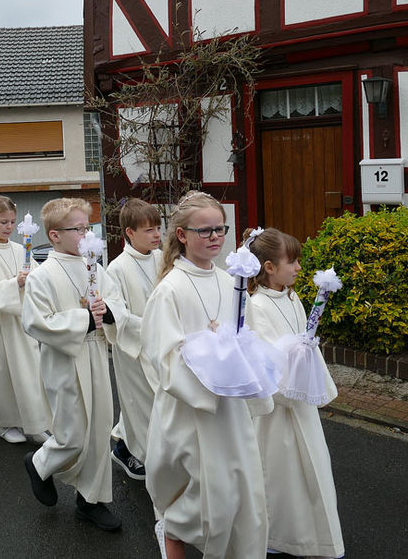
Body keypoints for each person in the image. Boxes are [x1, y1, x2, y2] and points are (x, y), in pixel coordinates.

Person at [142, 191, 269, 559]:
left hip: (229, 410)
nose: (215, 236)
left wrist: (247, 357)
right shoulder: (170, 290)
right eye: (205, 230)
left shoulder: (231, 280)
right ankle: (173, 533)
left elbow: (246, 332)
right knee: (209, 497)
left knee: (242, 492)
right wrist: (212, 363)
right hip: (192, 409)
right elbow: (163, 358)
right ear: (182, 235)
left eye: (220, 229)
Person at [22, 197, 126, 532]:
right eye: (77, 229)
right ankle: (39, 463)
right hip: (64, 360)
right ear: (54, 235)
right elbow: (37, 322)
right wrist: (84, 318)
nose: (85, 235)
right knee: (72, 434)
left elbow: (115, 301)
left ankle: (90, 502)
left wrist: (108, 312)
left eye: (87, 227)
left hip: (95, 354)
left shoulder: (94, 265)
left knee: (98, 430)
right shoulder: (42, 275)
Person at [245, 228, 344, 558]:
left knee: (313, 472)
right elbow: (264, 362)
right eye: (293, 261)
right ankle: (282, 539)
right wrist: (294, 357)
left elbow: (302, 339)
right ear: (270, 267)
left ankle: (314, 538)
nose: (300, 268)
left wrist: (306, 350)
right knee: (282, 477)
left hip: (300, 405)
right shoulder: (256, 307)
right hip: (278, 412)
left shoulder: (292, 297)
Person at [0, 196, 50, 444]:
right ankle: (7, 424)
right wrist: (15, 283)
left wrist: (32, 280)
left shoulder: (19, 249)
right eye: (3, 222)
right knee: (3, 373)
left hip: (22, 320)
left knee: (29, 372)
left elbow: (38, 276)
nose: (9, 227)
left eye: (13, 222)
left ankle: (34, 422)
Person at [104, 198, 162, 480]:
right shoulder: (117, 268)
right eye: (149, 229)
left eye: (158, 228)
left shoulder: (161, 258)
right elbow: (119, 315)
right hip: (134, 348)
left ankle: (125, 447)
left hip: (162, 345)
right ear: (130, 232)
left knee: (157, 403)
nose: (156, 235)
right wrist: (155, 326)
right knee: (140, 404)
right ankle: (140, 455)